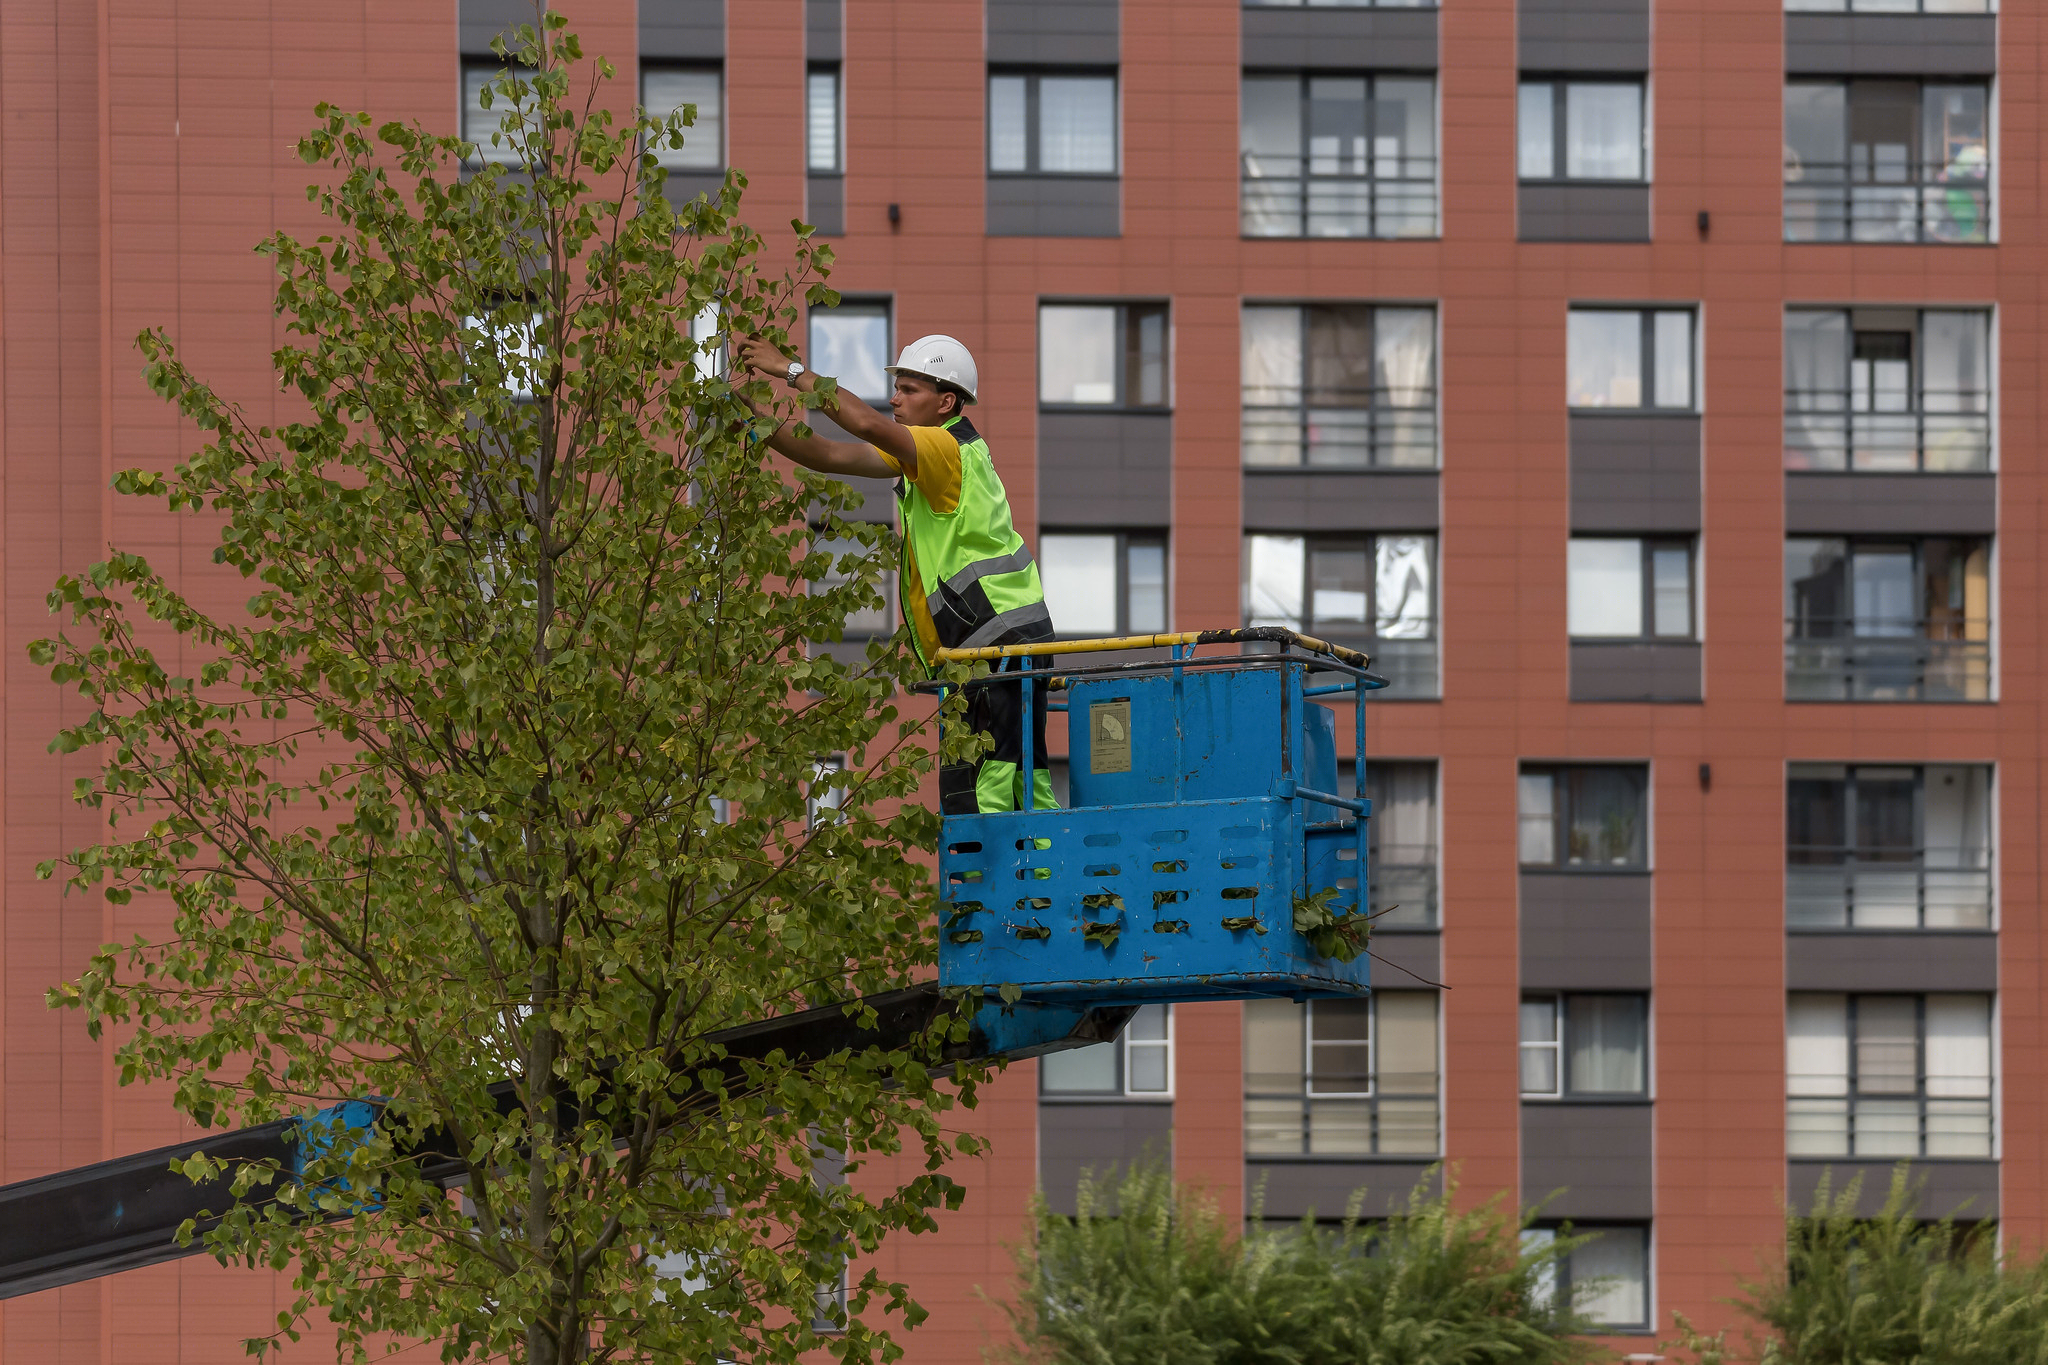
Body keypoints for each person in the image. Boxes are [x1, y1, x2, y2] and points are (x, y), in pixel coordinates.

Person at [733, 330, 1057, 816]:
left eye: (909, 390)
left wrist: (791, 370)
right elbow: (828, 454)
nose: (895, 398)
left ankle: (1016, 886)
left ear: (946, 401)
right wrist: (752, 422)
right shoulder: (924, 456)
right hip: (986, 644)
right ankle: (1014, 882)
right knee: (998, 780)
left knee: (994, 785)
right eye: (897, 387)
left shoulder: (947, 452)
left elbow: (863, 423)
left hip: (1000, 639)